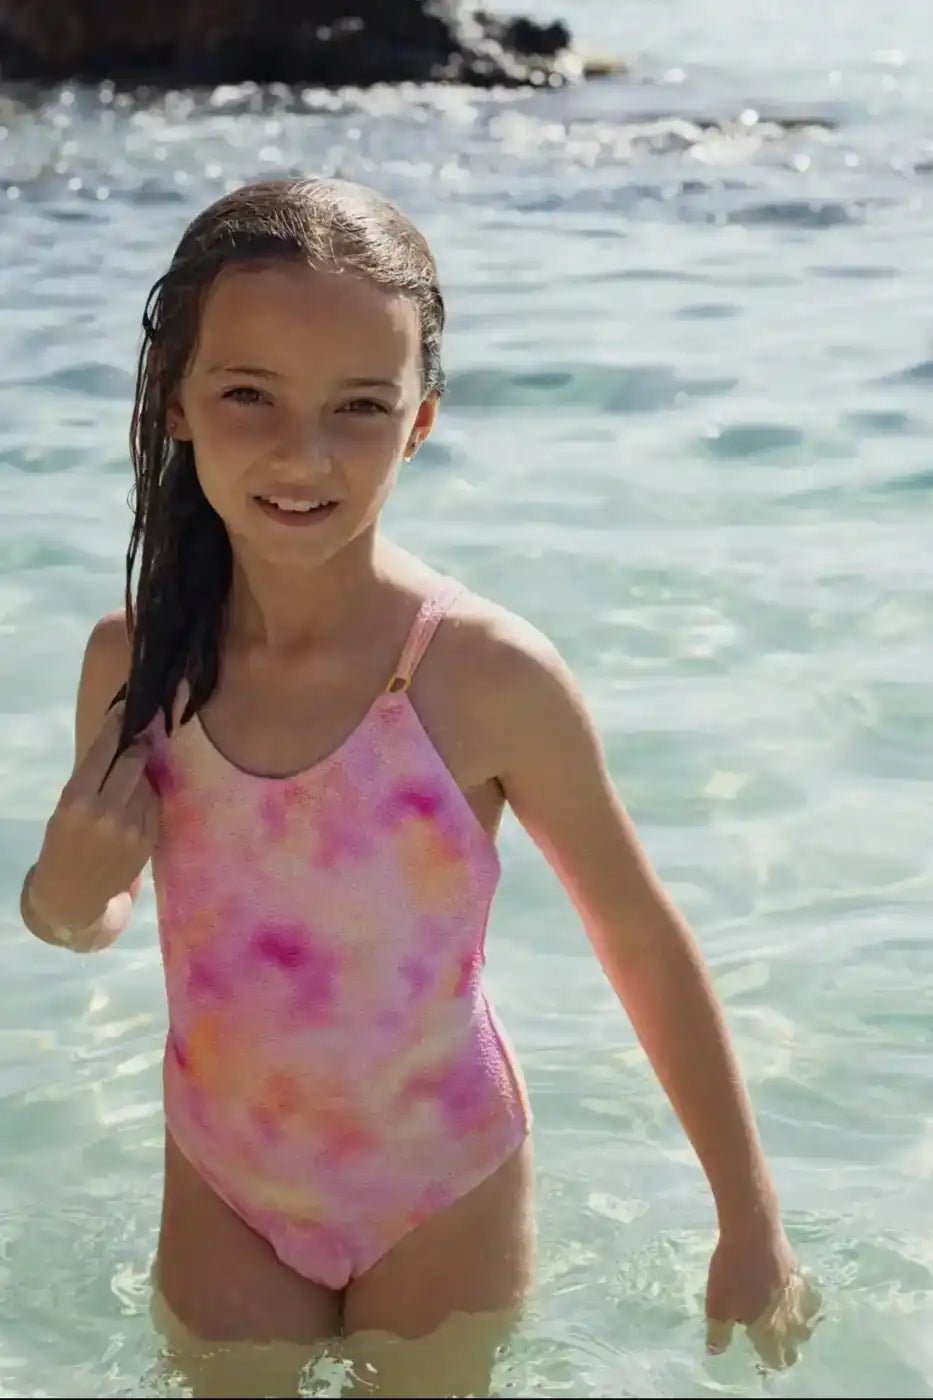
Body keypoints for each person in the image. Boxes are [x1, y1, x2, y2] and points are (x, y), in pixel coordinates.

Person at [19, 178, 819, 1395]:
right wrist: (56, 900)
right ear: (176, 399)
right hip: (229, 1183)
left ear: (422, 420)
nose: (304, 454)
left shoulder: (483, 676)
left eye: (359, 407)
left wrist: (748, 1217)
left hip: (440, 1189)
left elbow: (641, 938)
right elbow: (92, 905)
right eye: (250, 395)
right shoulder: (140, 664)